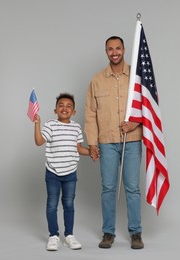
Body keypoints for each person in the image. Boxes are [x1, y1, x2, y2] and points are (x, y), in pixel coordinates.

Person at [84, 36, 144, 249]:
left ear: (124, 50)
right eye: (110, 49)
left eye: (118, 48)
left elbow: (147, 106)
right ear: (106, 52)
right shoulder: (97, 80)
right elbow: (90, 114)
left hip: (132, 141)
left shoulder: (137, 78)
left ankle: (136, 232)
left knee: (132, 188)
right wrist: (92, 143)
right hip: (107, 142)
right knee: (108, 188)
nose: (114, 52)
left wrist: (135, 124)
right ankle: (108, 232)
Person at [34, 92, 92, 251]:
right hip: (52, 172)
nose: (64, 108)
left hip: (70, 173)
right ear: (55, 110)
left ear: (74, 112)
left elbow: (79, 148)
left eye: (68, 106)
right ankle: (53, 235)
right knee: (52, 204)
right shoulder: (50, 125)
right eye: (61, 105)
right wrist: (37, 124)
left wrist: (92, 152)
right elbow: (39, 142)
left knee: (68, 204)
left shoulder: (76, 127)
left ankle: (69, 235)